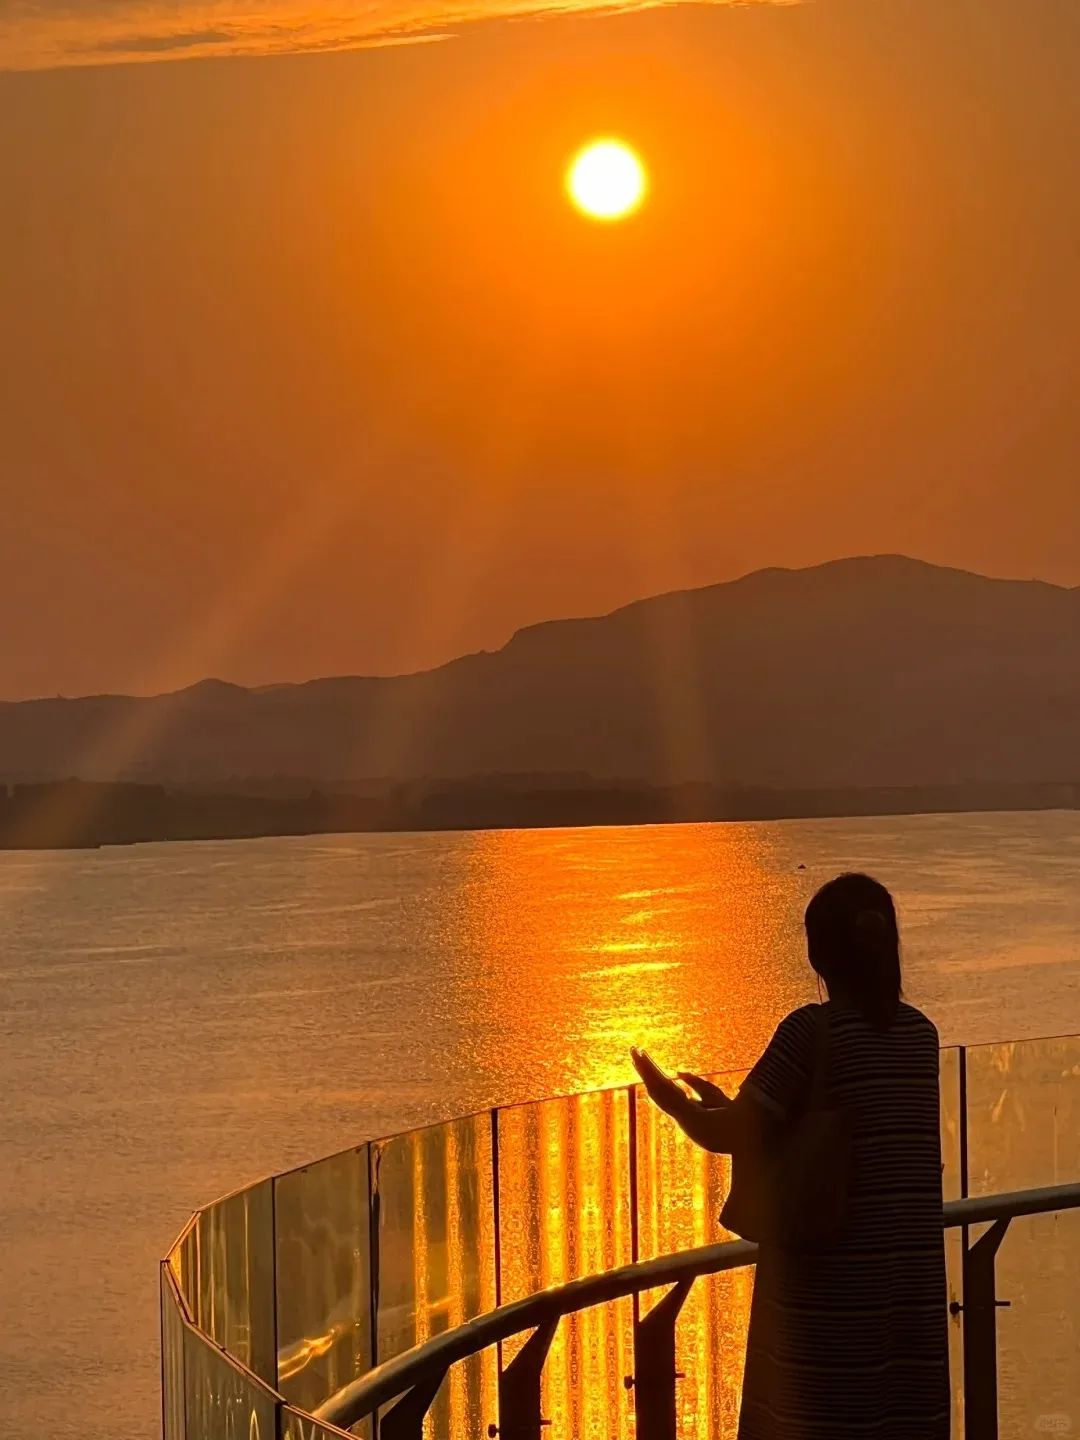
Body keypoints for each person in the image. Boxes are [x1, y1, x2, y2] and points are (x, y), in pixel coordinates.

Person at [633, 872, 949, 1440]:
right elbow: (852, 1131)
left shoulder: (809, 1032)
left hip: (831, 1298)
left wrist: (674, 1104)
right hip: (908, 1297)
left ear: (818, 954)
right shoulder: (920, 1035)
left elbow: (733, 1134)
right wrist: (732, 1109)